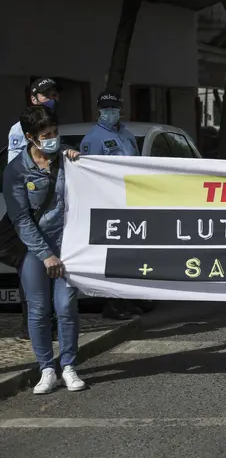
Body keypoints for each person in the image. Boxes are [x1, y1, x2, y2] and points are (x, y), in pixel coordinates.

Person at [3, 106, 85, 394]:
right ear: (30, 137)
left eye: (54, 133)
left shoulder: (67, 160)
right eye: (45, 135)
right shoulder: (16, 170)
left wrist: (77, 157)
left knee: (65, 306)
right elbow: (21, 218)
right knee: (38, 311)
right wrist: (45, 255)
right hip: (34, 250)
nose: (52, 139)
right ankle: (47, 369)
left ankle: (69, 366)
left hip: (68, 245)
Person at [80, 92, 144, 321]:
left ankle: (126, 299)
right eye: (106, 109)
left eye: (114, 108)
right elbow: (89, 174)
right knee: (111, 255)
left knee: (127, 255)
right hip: (107, 203)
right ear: (99, 110)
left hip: (129, 201)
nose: (111, 113)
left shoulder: (126, 134)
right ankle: (112, 303)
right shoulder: (93, 139)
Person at [7, 78, 60, 341]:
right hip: (30, 210)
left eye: (53, 93)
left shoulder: (50, 123)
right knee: (30, 271)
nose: (50, 97)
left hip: (50, 215)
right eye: (45, 94)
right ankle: (32, 326)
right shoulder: (20, 130)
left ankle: (46, 323)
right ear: (33, 97)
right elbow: (20, 169)